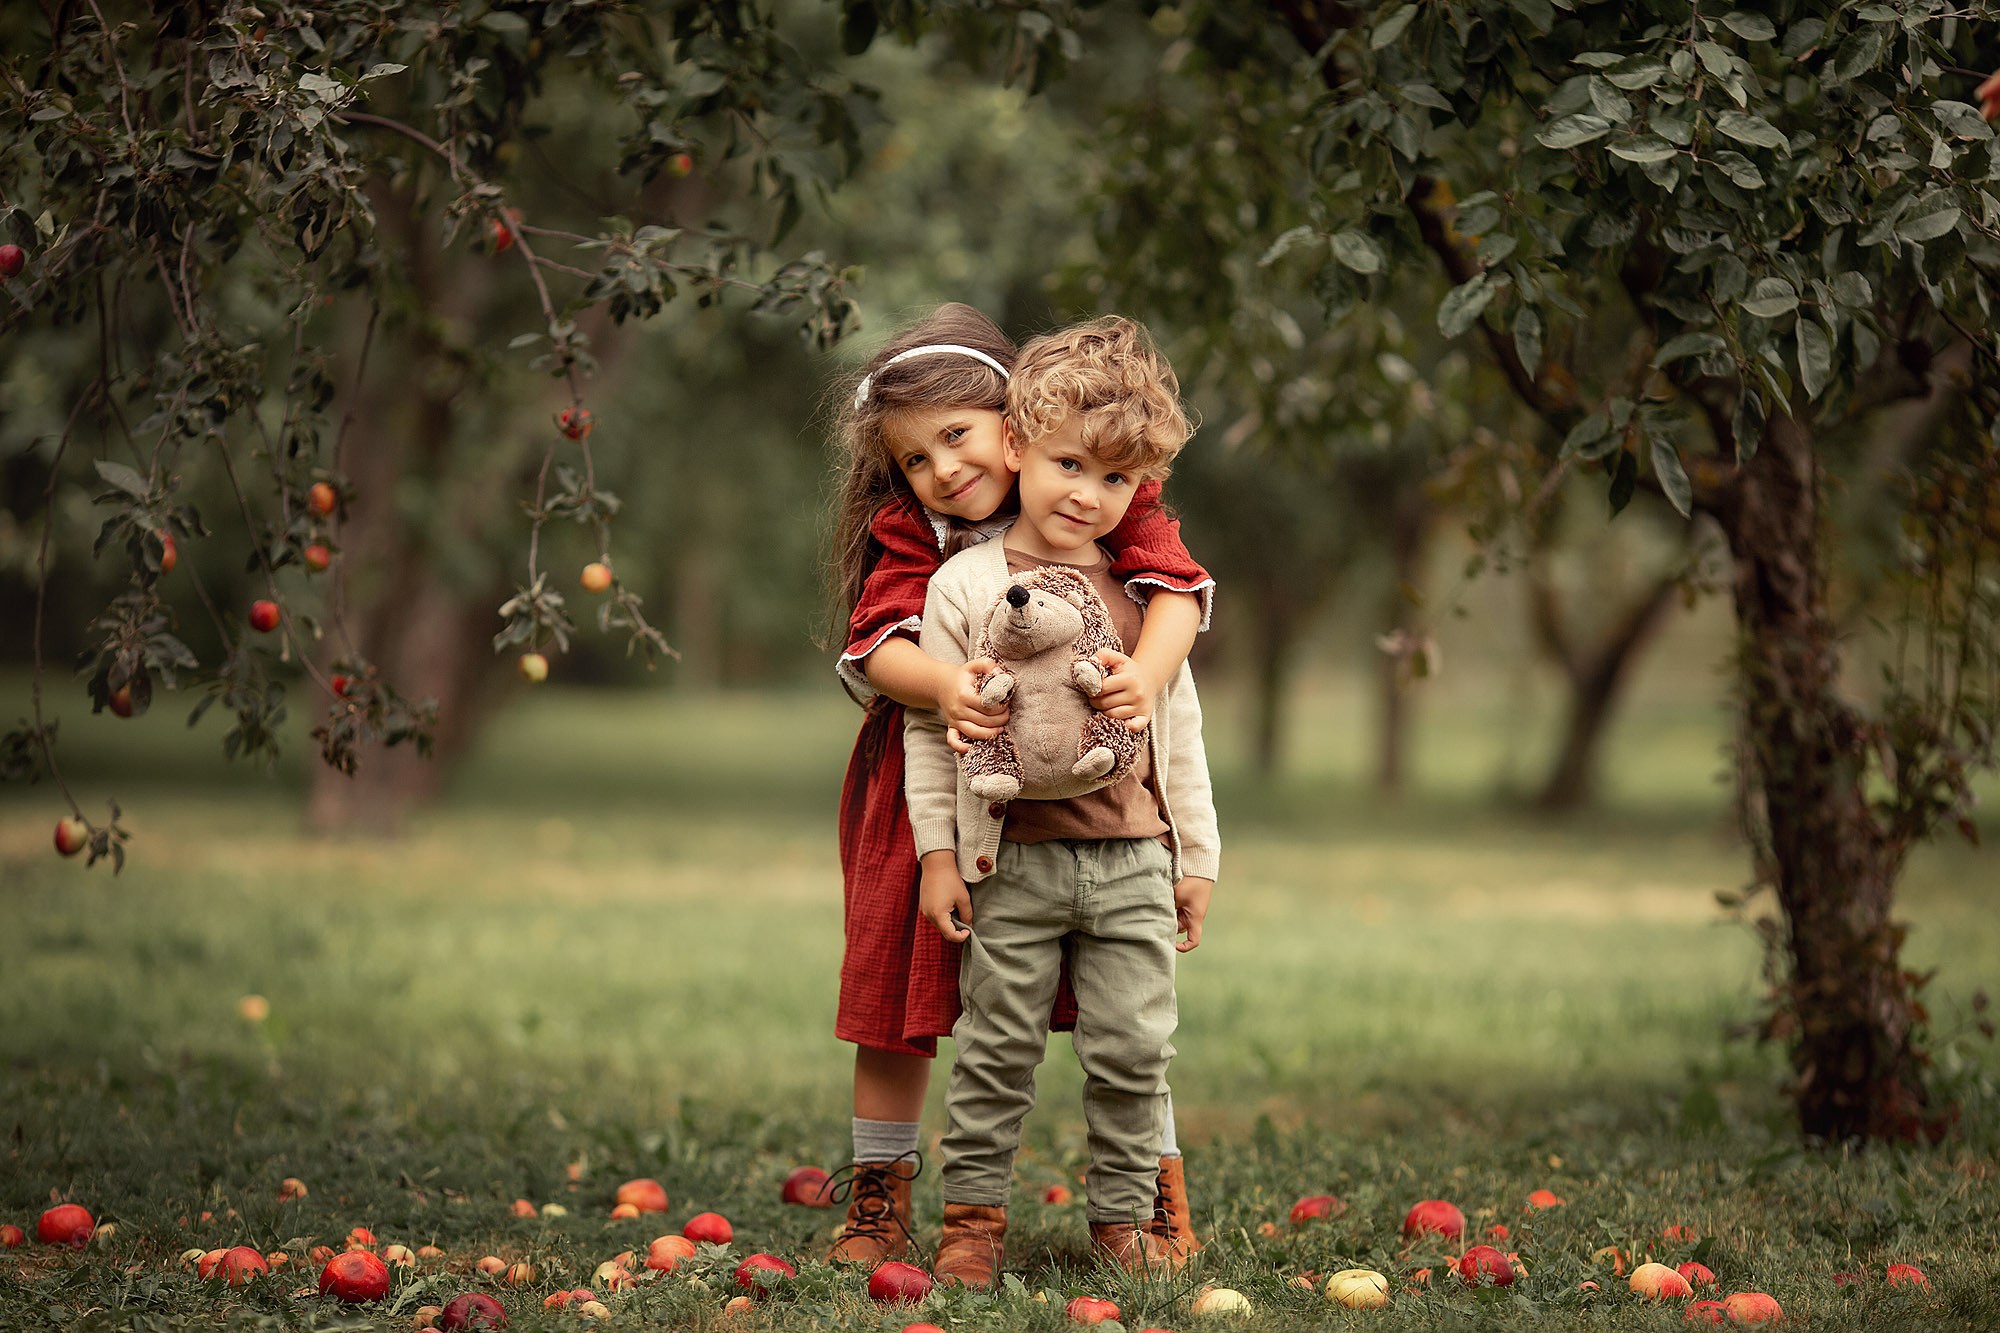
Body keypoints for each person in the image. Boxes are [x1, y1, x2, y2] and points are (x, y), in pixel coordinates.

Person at [823, 303, 1214, 1265]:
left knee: (1126, 1011)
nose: (944, 470)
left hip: (1102, 814)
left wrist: (1149, 677)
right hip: (941, 783)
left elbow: (1181, 602)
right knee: (903, 992)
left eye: (956, 437)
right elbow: (881, 653)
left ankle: (1151, 1193)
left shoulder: (1102, 487)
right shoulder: (925, 538)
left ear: (1018, 418)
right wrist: (952, 686)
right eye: (915, 458)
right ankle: (882, 1189)